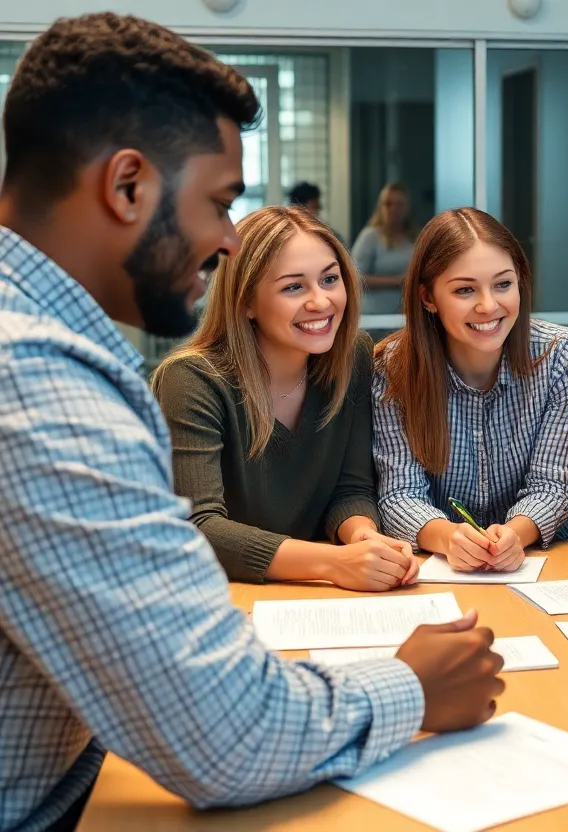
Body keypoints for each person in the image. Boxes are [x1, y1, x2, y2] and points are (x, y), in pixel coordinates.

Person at [0, 15, 502, 832]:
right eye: (219, 203)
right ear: (127, 187)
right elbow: (227, 737)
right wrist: (412, 685)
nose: (227, 239)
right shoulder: (39, 383)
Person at [152, 205, 419, 591]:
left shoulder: (354, 358)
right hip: (220, 595)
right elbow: (199, 526)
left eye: (330, 279)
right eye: (294, 287)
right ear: (245, 301)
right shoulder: (190, 380)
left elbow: (351, 489)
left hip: (317, 593)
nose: (321, 302)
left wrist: (363, 538)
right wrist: (333, 563)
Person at [374, 207, 568, 573]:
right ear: (428, 298)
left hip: (538, 561)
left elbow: (552, 485)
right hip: (436, 567)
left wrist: (513, 536)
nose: (488, 305)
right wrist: (448, 537)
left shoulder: (560, 355)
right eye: (465, 290)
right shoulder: (392, 366)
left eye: (503, 284)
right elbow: (399, 494)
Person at [352, 182, 417, 315]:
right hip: (374, 315)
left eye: (399, 204)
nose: (394, 209)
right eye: (388, 204)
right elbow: (354, 278)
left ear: (407, 207)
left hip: (407, 314)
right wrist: (396, 281)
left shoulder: (415, 237)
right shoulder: (370, 236)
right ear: (380, 207)